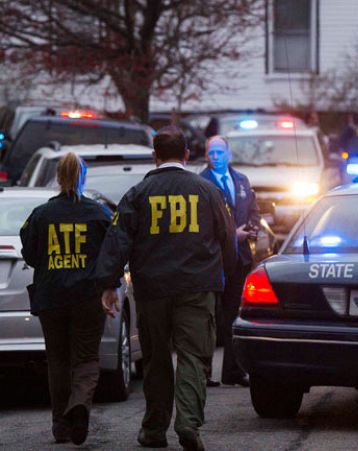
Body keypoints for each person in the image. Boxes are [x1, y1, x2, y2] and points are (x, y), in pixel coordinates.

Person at [96, 126, 236, 451]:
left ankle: (154, 429)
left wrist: (109, 284)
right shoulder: (207, 191)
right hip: (197, 288)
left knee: (156, 359)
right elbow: (228, 238)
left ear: (154, 156)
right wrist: (223, 277)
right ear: (186, 155)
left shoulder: (138, 194)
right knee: (193, 356)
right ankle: (188, 423)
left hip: (152, 290)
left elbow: (117, 242)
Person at [19, 152, 114, 446]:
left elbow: (30, 254)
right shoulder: (99, 214)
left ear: (59, 177)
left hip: (51, 296)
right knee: (86, 358)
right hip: (88, 296)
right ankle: (80, 403)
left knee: (57, 360)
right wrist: (110, 286)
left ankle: (60, 425)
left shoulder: (41, 214)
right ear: (83, 177)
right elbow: (112, 253)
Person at [200, 136, 260, 388]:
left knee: (235, 314)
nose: (215, 157)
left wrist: (253, 227)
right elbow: (201, 224)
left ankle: (233, 371)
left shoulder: (241, 180)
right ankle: (203, 372)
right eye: (211, 153)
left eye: (219, 152)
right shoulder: (201, 182)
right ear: (206, 155)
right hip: (213, 259)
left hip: (240, 258)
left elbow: (253, 210)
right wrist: (232, 234)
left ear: (228, 154)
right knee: (209, 316)